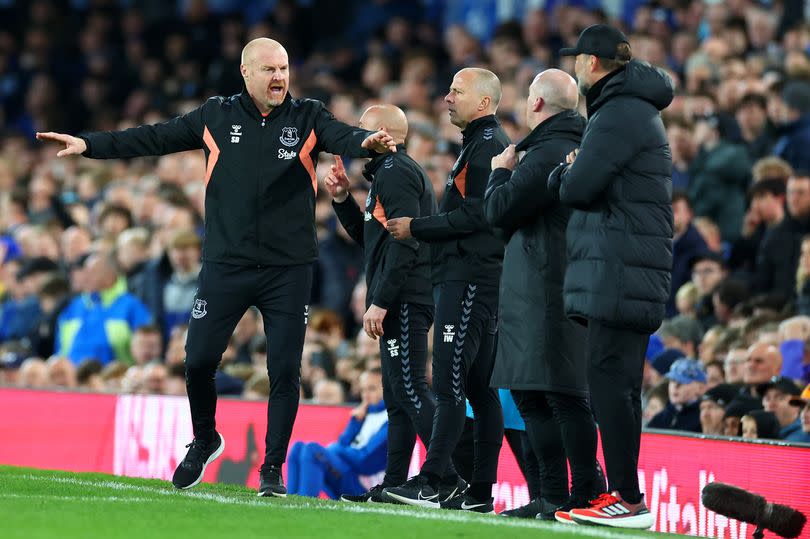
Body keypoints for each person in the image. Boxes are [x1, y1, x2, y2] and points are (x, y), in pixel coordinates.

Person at [37, 38, 397, 495]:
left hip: (289, 268)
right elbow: (152, 137)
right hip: (227, 265)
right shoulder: (216, 115)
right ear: (245, 73)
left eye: (284, 67)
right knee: (198, 360)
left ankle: (272, 468)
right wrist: (88, 143)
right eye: (268, 69)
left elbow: (342, 135)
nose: (279, 77)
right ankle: (205, 438)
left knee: (284, 371)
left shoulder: (308, 116)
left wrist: (364, 142)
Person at [546, 24, 674, 528]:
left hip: (622, 270)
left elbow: (577, 187)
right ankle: (624, 494)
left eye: (577, 58)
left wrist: (562, 172)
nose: (575, 66)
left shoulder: (618, 112)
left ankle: (628, 497)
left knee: (611, 385)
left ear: (592, 63)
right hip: (623, 267)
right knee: (612, 384)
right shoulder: (625, 108)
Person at [383, 67, 509, 513]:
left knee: (452, 381)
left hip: (471, 279)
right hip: (474, 278)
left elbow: (480, 215)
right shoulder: (481, 143)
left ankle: (435, 480)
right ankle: (479, 492)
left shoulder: (487, 145)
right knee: (479, 388)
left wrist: (418, 226)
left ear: (483, 102)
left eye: (457, 91)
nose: (447, 97)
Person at [325, 105, 462, 503]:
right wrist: (341, 199)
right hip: (400, 295)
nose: (356, 137)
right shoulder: (385, 174)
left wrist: (382, 301)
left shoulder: (397, 172)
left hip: (404, 297)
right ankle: (396, 482)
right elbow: (372, 240)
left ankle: (447, 477)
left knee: (410, 387)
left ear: (383, 133)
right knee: (396, 396)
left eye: (362, 130)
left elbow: (407, 241)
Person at [482, 69, 602, 520]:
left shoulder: (543, 151)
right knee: (536, 394)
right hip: (544, 285)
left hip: (546, 289)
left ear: (536, 104)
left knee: (560, 393)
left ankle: (584, 491)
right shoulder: (570, 146)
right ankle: (555, 495)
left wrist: (498, 174)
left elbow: (499, 211)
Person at [287, 368, 388, 499]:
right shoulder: (366, 412)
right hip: (351, 476)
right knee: (297, 447)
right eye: (363, 390)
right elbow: (343, 442)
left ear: (388, 389)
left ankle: (304, 504)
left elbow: (365, 462)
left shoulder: (391, 418)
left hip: (367, 488)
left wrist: (336, 449)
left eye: (372, 389)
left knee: (313, 451)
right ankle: (290, 503)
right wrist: (355, 423)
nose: (366, 395)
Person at [647, 358, 706, 433]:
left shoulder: (704, 418)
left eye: (683, 381)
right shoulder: (659, 418)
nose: (675, 386)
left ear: (701, 388)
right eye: (672, 380)